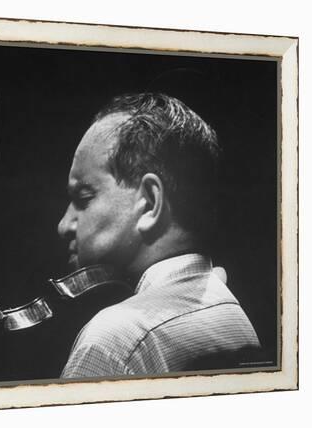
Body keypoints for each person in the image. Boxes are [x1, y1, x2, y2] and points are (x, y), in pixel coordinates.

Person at [58, 93, 260, 378]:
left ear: (150, 203)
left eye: (84, 197)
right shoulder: (233, 314)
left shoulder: (114, 341)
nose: (64, 224)